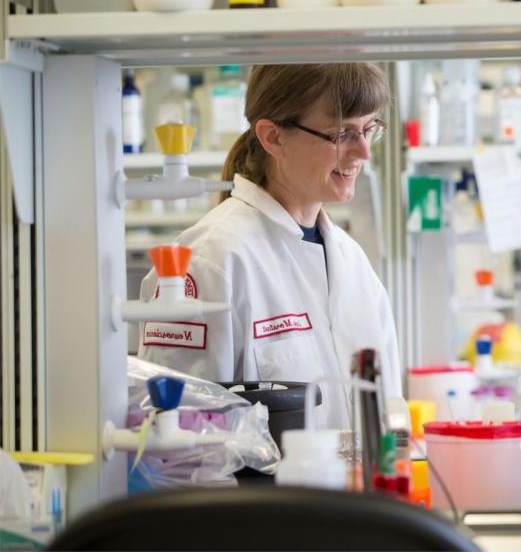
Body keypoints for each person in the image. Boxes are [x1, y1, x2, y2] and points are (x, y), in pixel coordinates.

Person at [138, 63, 401, 428]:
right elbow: (175, 439)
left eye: (369, 129)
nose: (363, 153)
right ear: (273, 137)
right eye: (342, 133)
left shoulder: (351, 259)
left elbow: (388, 408)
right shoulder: (211, 259)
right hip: (260, 487)